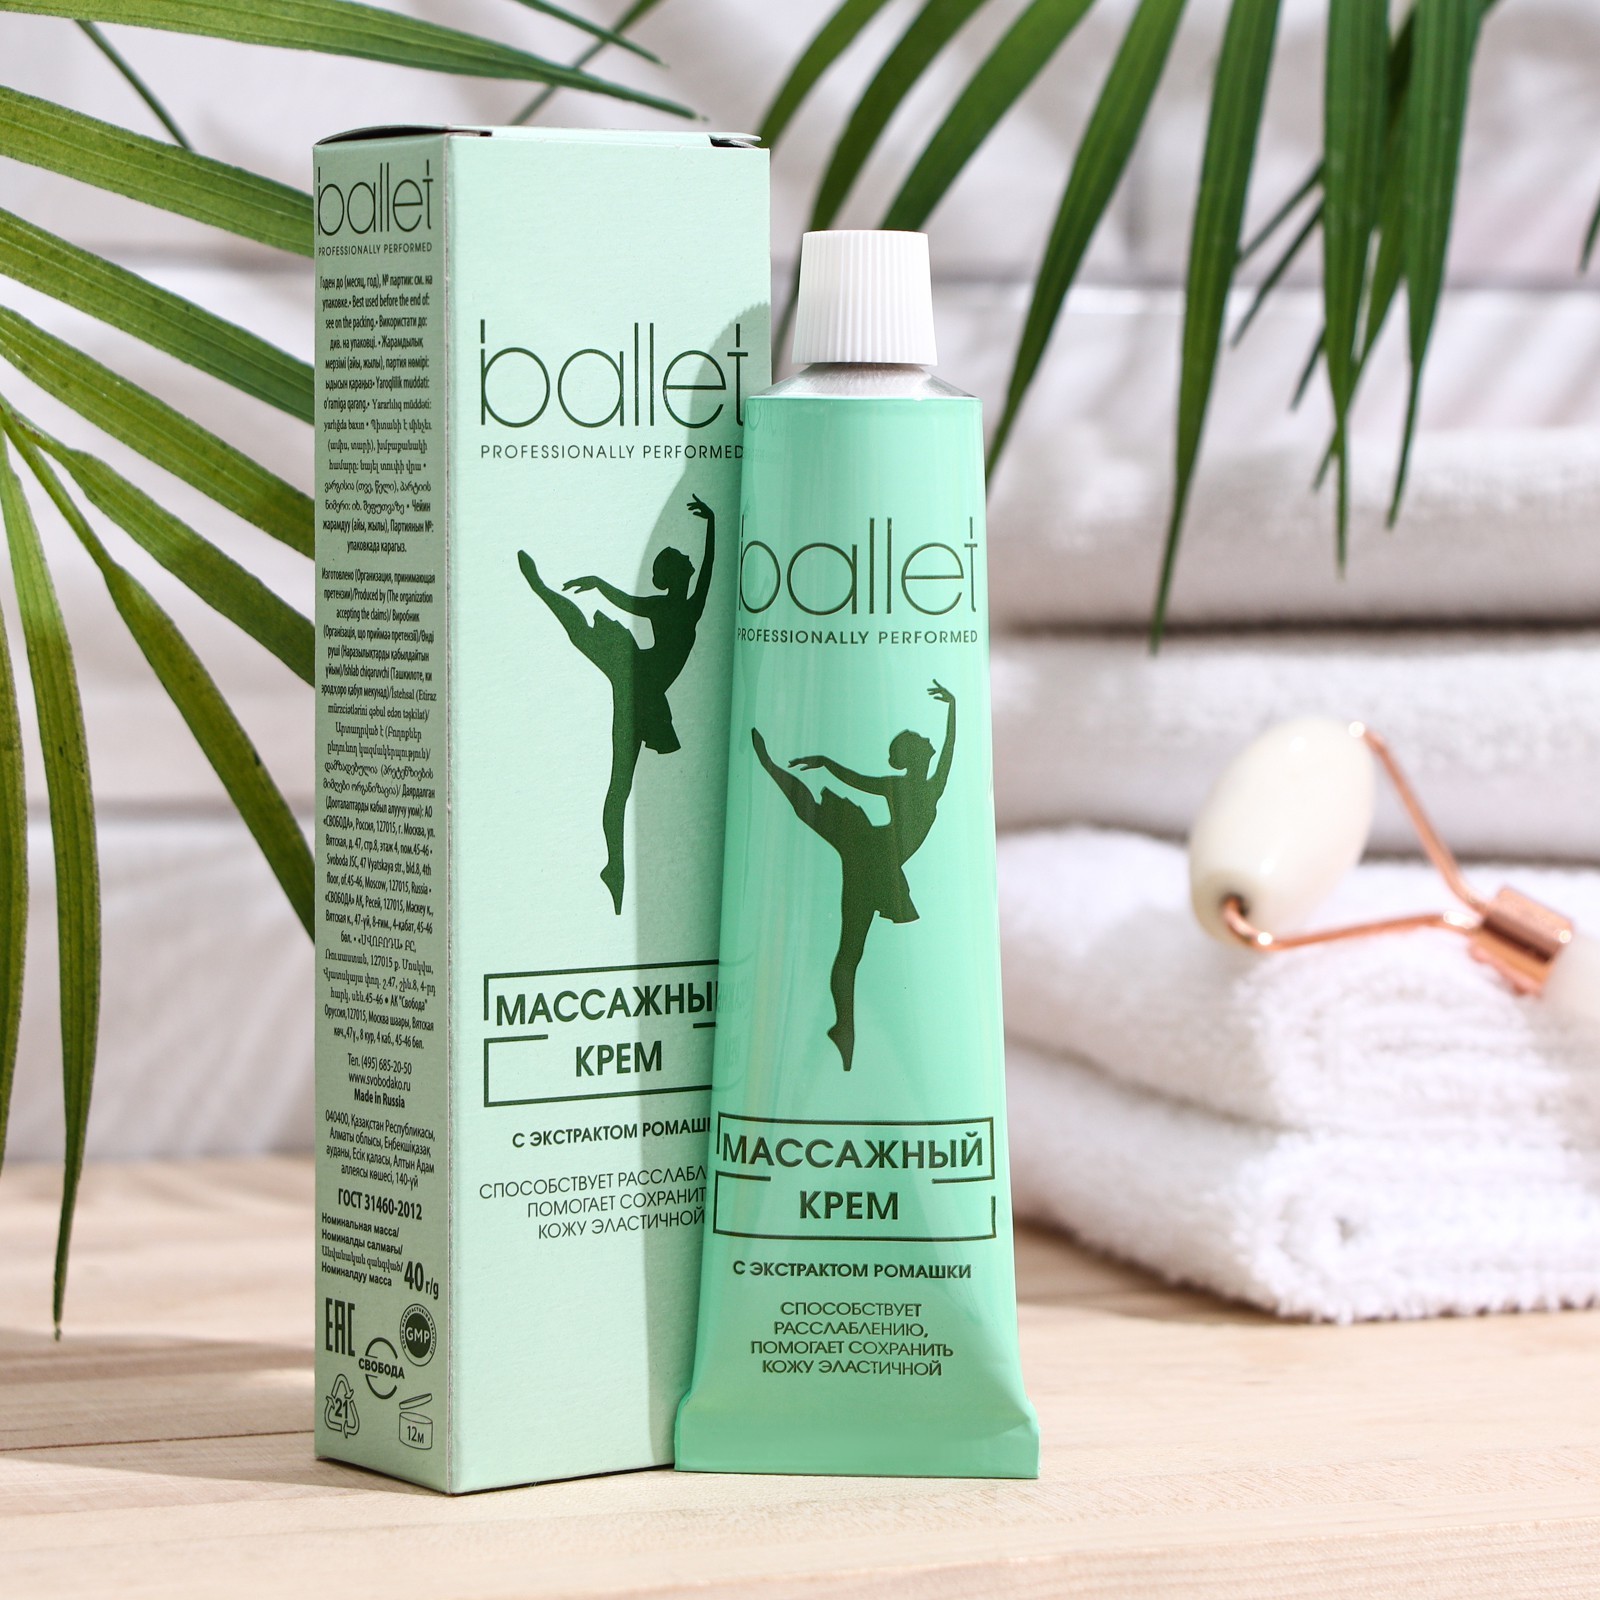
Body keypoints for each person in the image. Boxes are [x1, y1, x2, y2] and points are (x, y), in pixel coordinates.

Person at [517, 494, 715, 914]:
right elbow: (627, 601)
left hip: (642, 687)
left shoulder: (685, 607)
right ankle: (542, 589)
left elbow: (707, 567)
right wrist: (598, 583)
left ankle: (617, 866)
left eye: (686, 560)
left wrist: (712, 522)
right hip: (638, 677)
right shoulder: (671, 607)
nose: (689, 563)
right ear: (675, 574)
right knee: (619, 784)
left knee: (621, 785)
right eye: (683, 561)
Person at [752, 681, 956, 1070]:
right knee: (850, 951)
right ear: (914, 755)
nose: (928, 743)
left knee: (850, 951)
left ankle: (844, 1027)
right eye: (921, 741)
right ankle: (844, 1027)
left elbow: (948, 747)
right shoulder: (918, 787)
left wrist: (954, 706)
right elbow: (859, 778)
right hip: (872, 853)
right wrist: (827, 763)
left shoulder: (917, 786)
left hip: (872, 857)